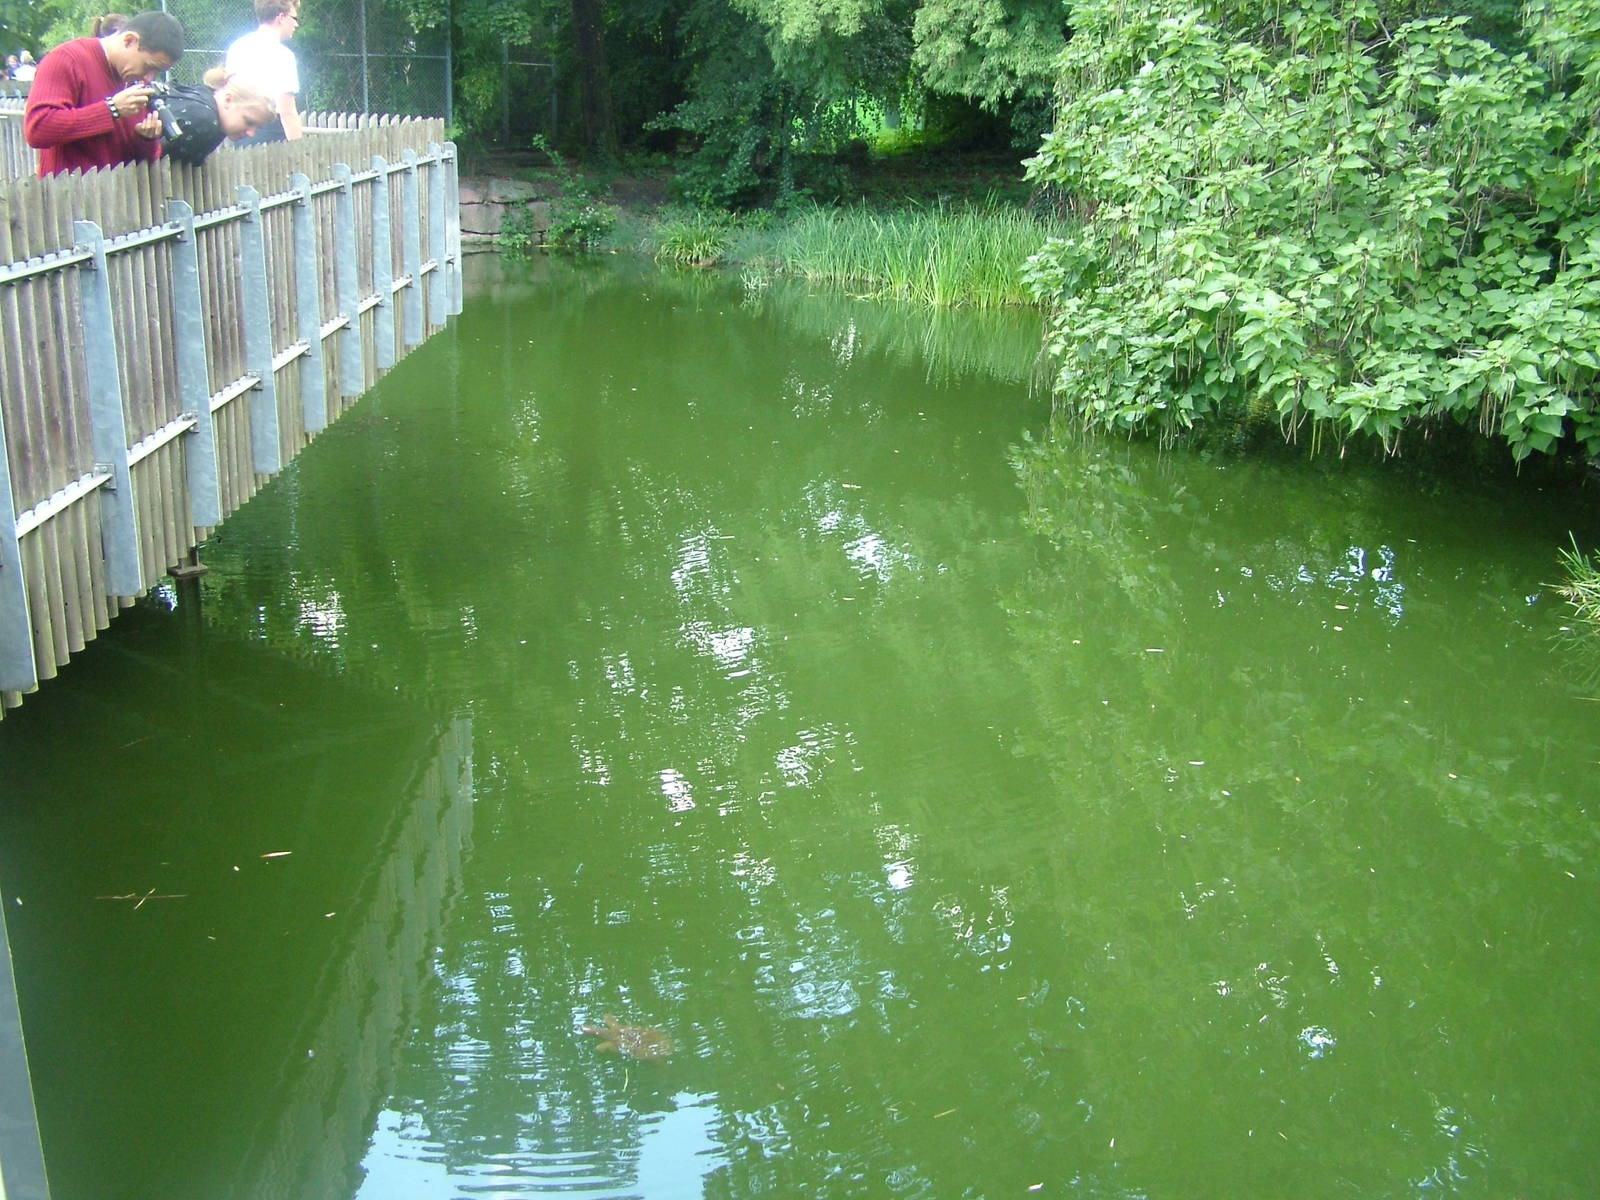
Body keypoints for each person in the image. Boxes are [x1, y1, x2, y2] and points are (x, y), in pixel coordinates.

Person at [22, 11, 184, 177]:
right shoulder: (66, 59)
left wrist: (146, 139)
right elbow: (38, 130)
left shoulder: (134, 79)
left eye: (157, 72)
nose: (149, 77)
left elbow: (141, 163)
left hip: (116, 190)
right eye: (148, 66)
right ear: (129, 40)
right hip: (69, 191)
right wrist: (111, 109)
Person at [157, 67, 276, 165]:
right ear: (228, 100)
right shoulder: (205, 122)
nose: (252, 134)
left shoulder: (205, 97)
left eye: (257, 127)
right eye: (249, 122)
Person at [224, 0, 301, 144]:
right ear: (281, 17)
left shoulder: (237, 47)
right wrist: (300, 149)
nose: (296, 24)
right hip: (272, 136)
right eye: (294, 18)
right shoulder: (283, 55)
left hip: (241, 134)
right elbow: (287, 112)